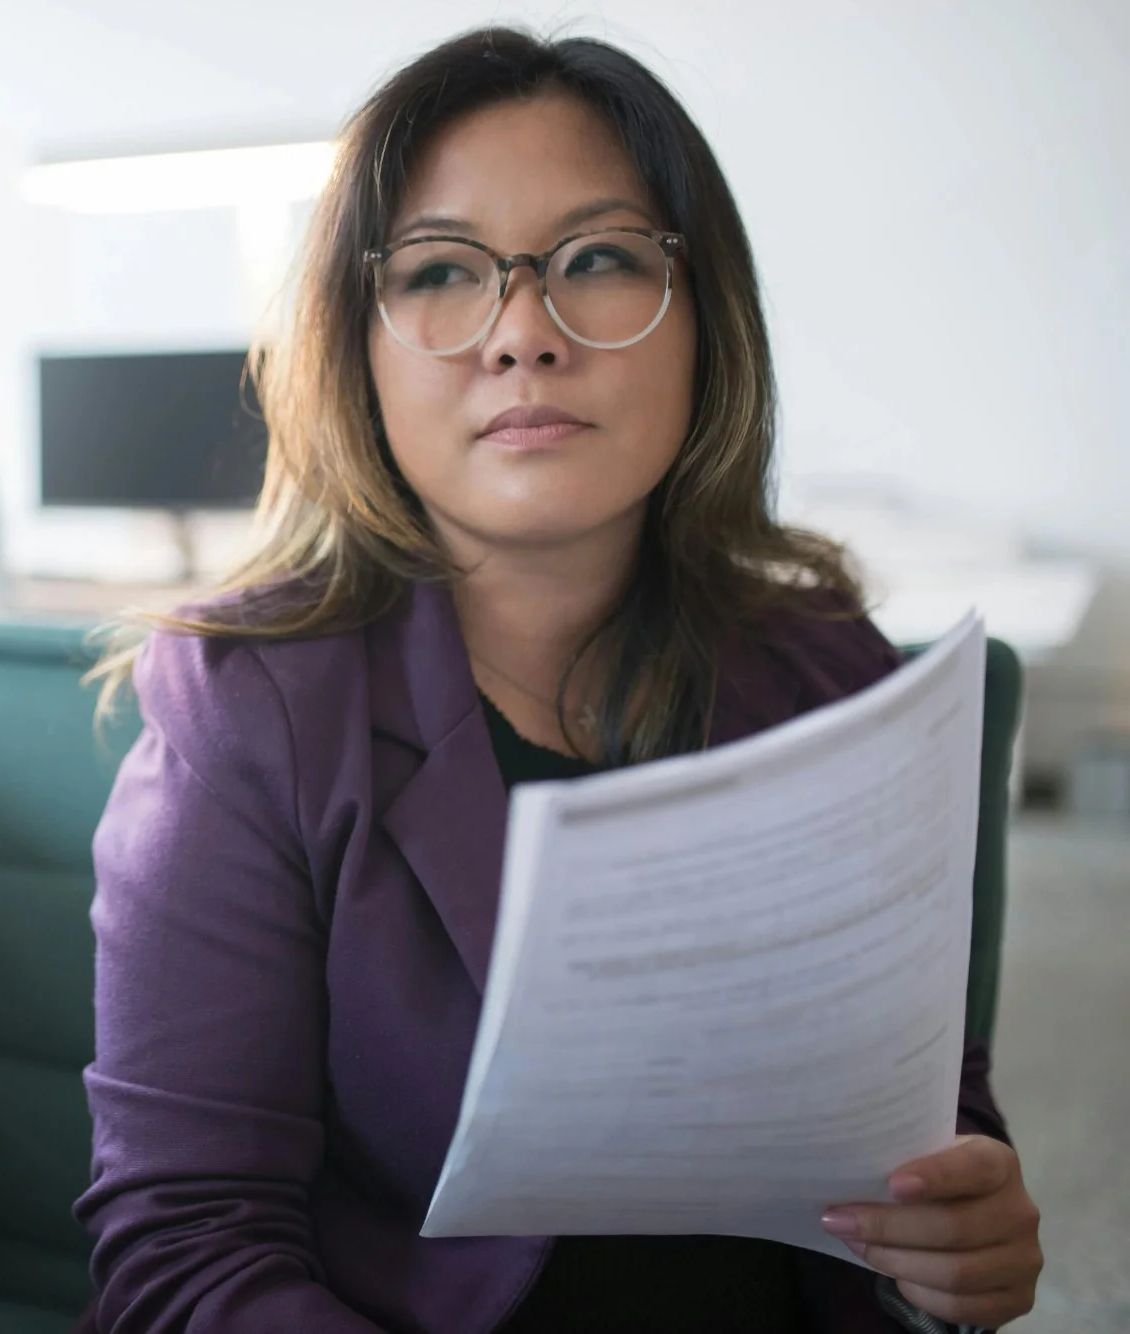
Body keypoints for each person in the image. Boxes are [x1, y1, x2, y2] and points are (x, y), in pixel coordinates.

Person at [74, 25, 1042, 1334]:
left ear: (706, 317)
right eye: (438, 272)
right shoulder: (249, 708)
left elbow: (927, 1108)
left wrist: (956, 1232)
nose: (523, 333)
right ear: (356, 346)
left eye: (597, 259)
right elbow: (185, 1251)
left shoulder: (829, 665)